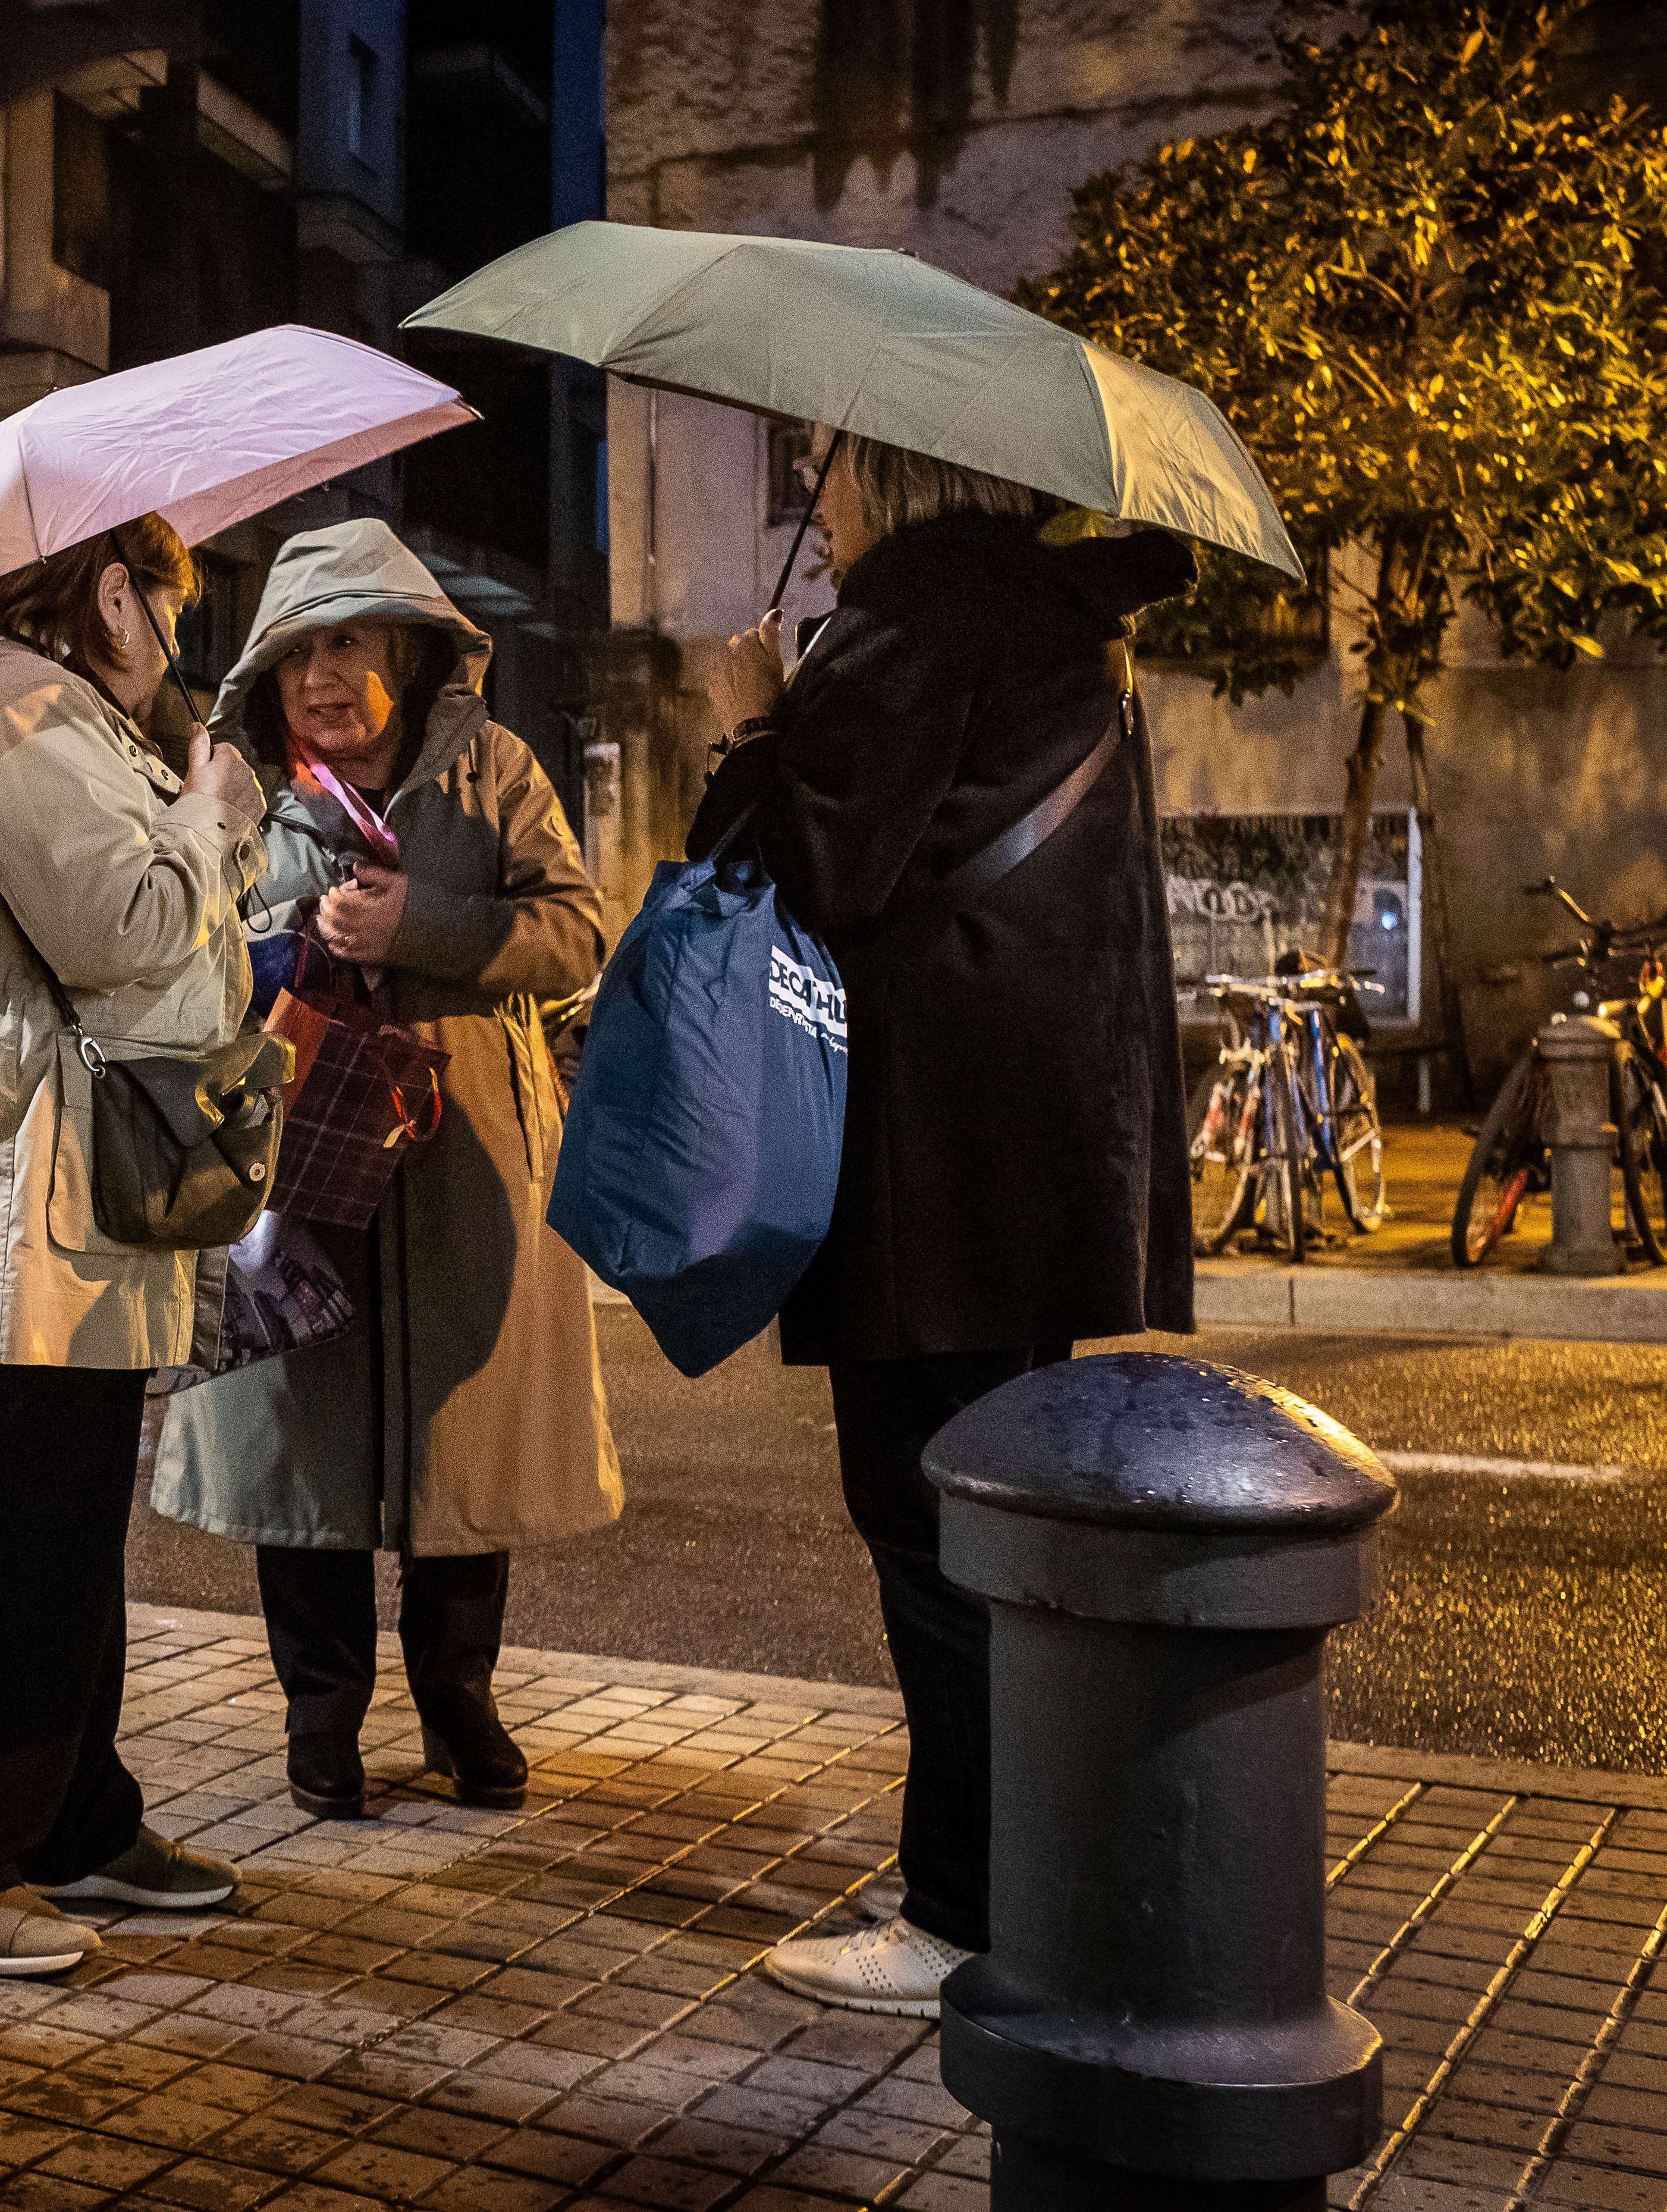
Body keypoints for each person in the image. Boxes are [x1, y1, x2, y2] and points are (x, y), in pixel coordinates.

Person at [688, 425, 1197, 2018]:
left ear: (895, 484)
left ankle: (963, 1912)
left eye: (825, 476)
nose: (813, 507)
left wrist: (753, 728)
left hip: (924, 1159)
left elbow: (803, 871)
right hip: (1034, 1154)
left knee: (928, 1532)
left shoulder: (911, 628)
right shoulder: (1062, 629)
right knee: (995, 1526)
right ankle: (1016, 1875)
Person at [149, 519, 617, 1819]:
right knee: (304, 1443)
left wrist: (427, 926)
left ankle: (460, 1698)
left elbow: (576, 936)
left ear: (408, 655)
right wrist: (279, 941)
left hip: (468, 1161)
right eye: (298, 649)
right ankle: (323, 1715)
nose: (323, 674)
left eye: (349, 642)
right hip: (295, 1152)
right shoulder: (240, 792)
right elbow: (179, 951)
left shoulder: (497, 774)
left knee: (462, 1453)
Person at [0, 519, 266, 1976]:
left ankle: (74, 1822)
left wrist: (209, 805)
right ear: (112, 591)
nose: (173, 630)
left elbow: (203, 908)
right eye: (169, 598)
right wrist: (211, 810)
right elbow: (130, 921)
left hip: (75, 1185)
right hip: (9, 1188)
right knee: (5, 1533)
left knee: (72, 1530)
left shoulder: (66, 714)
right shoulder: (11, 706)